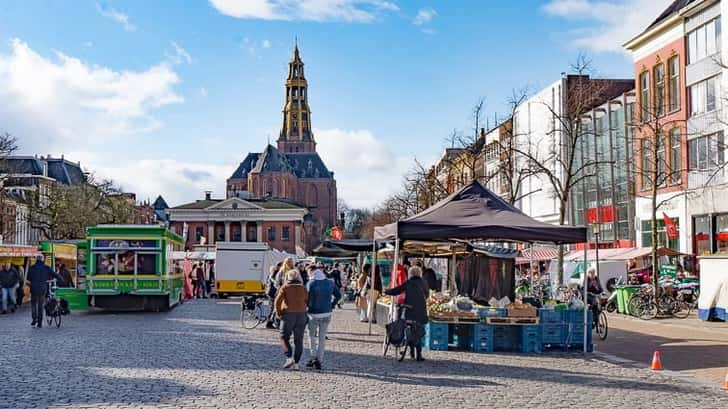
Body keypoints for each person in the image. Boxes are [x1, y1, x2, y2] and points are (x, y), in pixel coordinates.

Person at [385, 266, 429, 361]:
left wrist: (387, 291)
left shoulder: (409, 282)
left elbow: (398, 290)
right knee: (418, 330)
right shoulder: (423, 282)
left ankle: (411, 350)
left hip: (410, 310)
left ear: (411, 274)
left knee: (409, 328)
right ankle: (419, 354)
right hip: (421, 311)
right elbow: (427, 295)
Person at [306, 266, 341, 370]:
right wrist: (332, 304)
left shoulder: (311, 283)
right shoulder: (330, 282)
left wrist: (307, 306)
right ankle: (319, 360)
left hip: (313, 313)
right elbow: (338, 295)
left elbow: (306, 298)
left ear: (312, 273)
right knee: (322, 338)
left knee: (311, 336)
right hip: (327, 313)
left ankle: (313, 357)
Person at [274, 269, 308, 370]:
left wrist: (279, 313)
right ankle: (296, 363)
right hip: (301, 315)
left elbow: (277, 302)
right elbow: (307, 299)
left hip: (288, 314)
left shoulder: (285, 287)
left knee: (284, 337)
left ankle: (289, 358)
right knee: (299, 340)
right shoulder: (303, 287)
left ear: (288, 277)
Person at [26, 255, 63, 328]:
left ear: (36, 260)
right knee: (40, 306)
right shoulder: (46, 268)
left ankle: (34, 319)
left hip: (34, 289)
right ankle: (39, 323)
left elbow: (28, 278)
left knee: (33, 304)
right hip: (43, 289)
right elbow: (55, 274)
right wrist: (61, 279)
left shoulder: (32, 268)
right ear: (43, 260)